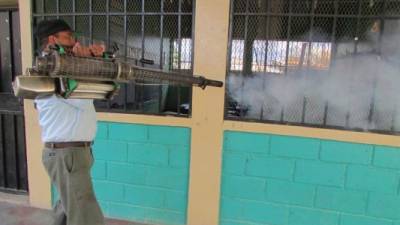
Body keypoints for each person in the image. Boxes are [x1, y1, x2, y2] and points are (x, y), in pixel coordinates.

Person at [34, 19, 105, 225]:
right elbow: (84, 96)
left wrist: (92, 61)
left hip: (72, 154)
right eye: (68, 37)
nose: (73, 42)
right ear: (52, 39)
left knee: (70, 206)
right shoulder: (52, 71)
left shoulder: (65, 68)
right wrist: (86, 64)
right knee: (86, 217)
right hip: (67, 154)